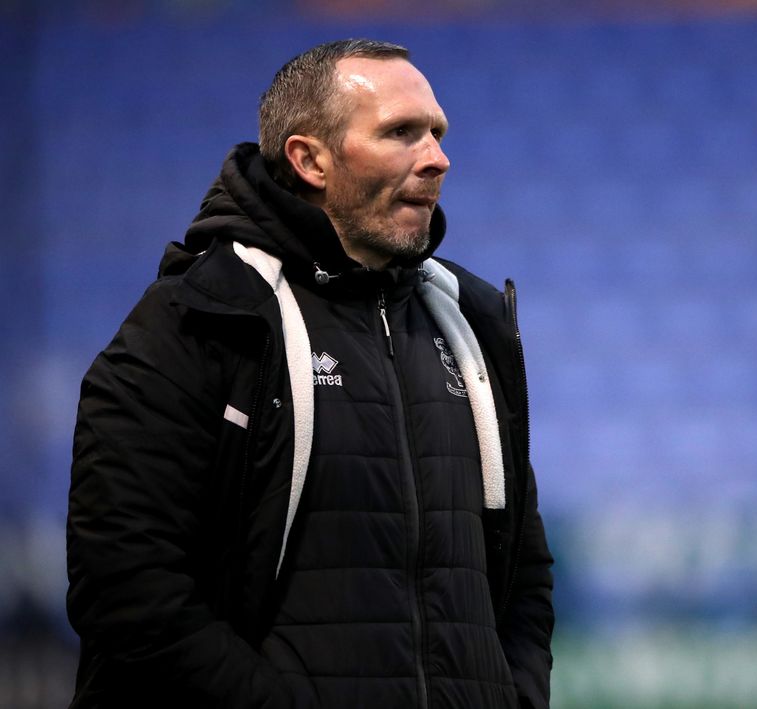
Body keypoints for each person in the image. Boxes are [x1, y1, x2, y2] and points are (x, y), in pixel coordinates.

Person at [66, 39, 554, 708]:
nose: (437, 158)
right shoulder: (196, 322)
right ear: (309, 160)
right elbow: (126, 588)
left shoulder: (473, 325)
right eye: (401, 133)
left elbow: (524, 574)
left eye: (437, 134)